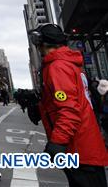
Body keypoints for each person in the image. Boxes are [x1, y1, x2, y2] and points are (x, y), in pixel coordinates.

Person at [29, 23, 108, 187]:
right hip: (83, 144)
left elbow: (69, 110)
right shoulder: (68, 63)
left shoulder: (58, 66)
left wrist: (58, 142)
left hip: (78, 148)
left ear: (41, 42)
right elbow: (72, 99)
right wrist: (40, 108)